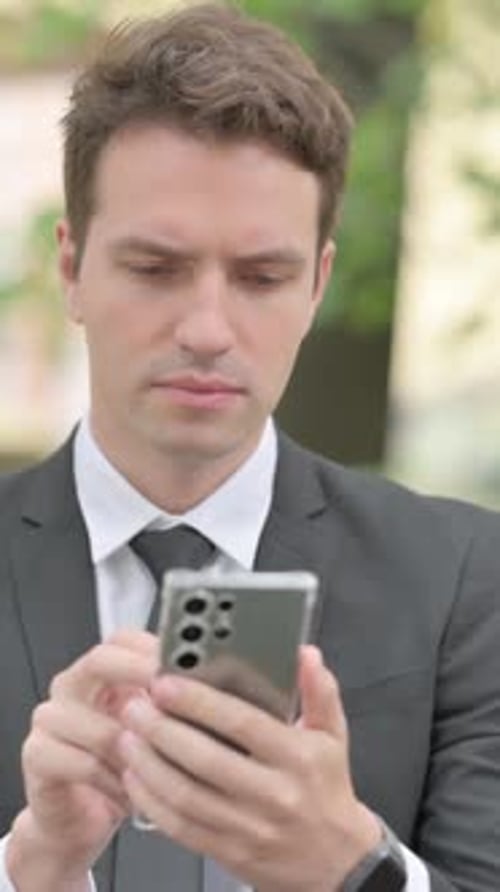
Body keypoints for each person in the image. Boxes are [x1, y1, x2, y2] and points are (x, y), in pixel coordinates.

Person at [0, 2, 499, 891]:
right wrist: (31, 867)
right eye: (155, 269)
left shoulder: (468, 578)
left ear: (317, 285)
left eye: (262, 277)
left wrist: (353, 867)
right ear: (71, 268)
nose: (207, 329)